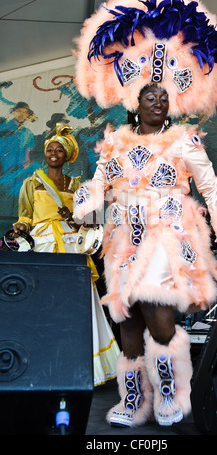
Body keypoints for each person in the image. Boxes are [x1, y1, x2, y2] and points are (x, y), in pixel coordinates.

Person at [73, 0, 217, 427]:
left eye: (163, 97)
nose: (157, 101)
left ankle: (170, 392)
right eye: (149, 96)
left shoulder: (184, 141)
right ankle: (134, 400)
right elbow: (99, 182)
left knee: (159, 317)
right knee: (128, 320)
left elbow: (209, 186)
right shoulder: (114, 141)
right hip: (121, 238)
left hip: (165, 235)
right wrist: (88, 198)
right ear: (136, 101)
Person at [13, 122, 120, 387]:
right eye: (51, 149)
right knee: (42, 304)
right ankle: (41, 364)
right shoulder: (32, 182)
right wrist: (20, 227)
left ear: (67, 156)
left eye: (59, 150)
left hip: (73, 246)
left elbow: (88, 222)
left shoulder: (78, 186)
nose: (54, 153)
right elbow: (25, 216)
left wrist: (72, 217)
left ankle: (83, 368)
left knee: (77, 304)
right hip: (43, 246)